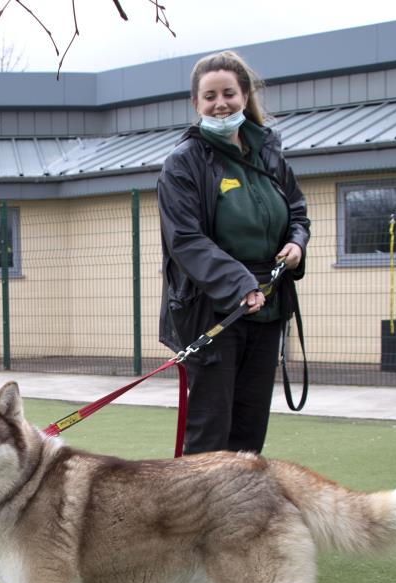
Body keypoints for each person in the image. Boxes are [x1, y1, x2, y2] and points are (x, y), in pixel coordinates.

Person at [157, 50, 310, 455]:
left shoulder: (269, 152)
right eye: (209, 96)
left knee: (250, 423)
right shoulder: (182, 163)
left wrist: (297, 241)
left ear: (244, 95)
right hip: (212, 309)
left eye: (228, 93)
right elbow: (185, 239)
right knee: (211, 427)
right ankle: (198, 517)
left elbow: (297, 209)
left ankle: (241, 515)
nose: (220, 103)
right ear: (196, 104)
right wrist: (240, 284)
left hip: (269, 305)